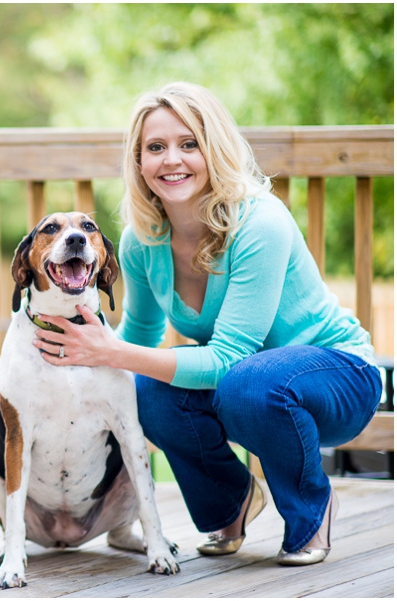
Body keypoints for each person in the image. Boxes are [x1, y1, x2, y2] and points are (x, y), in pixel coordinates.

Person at [30, 82, 382, 566]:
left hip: (341, 377)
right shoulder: (140, 242)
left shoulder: (261, 223)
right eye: (155, 147)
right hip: (248, 385)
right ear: (139, 162)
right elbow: (137, 337)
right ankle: (230, 504)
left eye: (188, 143)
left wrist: (108, 351)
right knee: (149, 391)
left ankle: (311, 510)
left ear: (214, 149)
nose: (171, 159)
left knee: (246, 381)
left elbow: (229, 358)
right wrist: (80, 377)